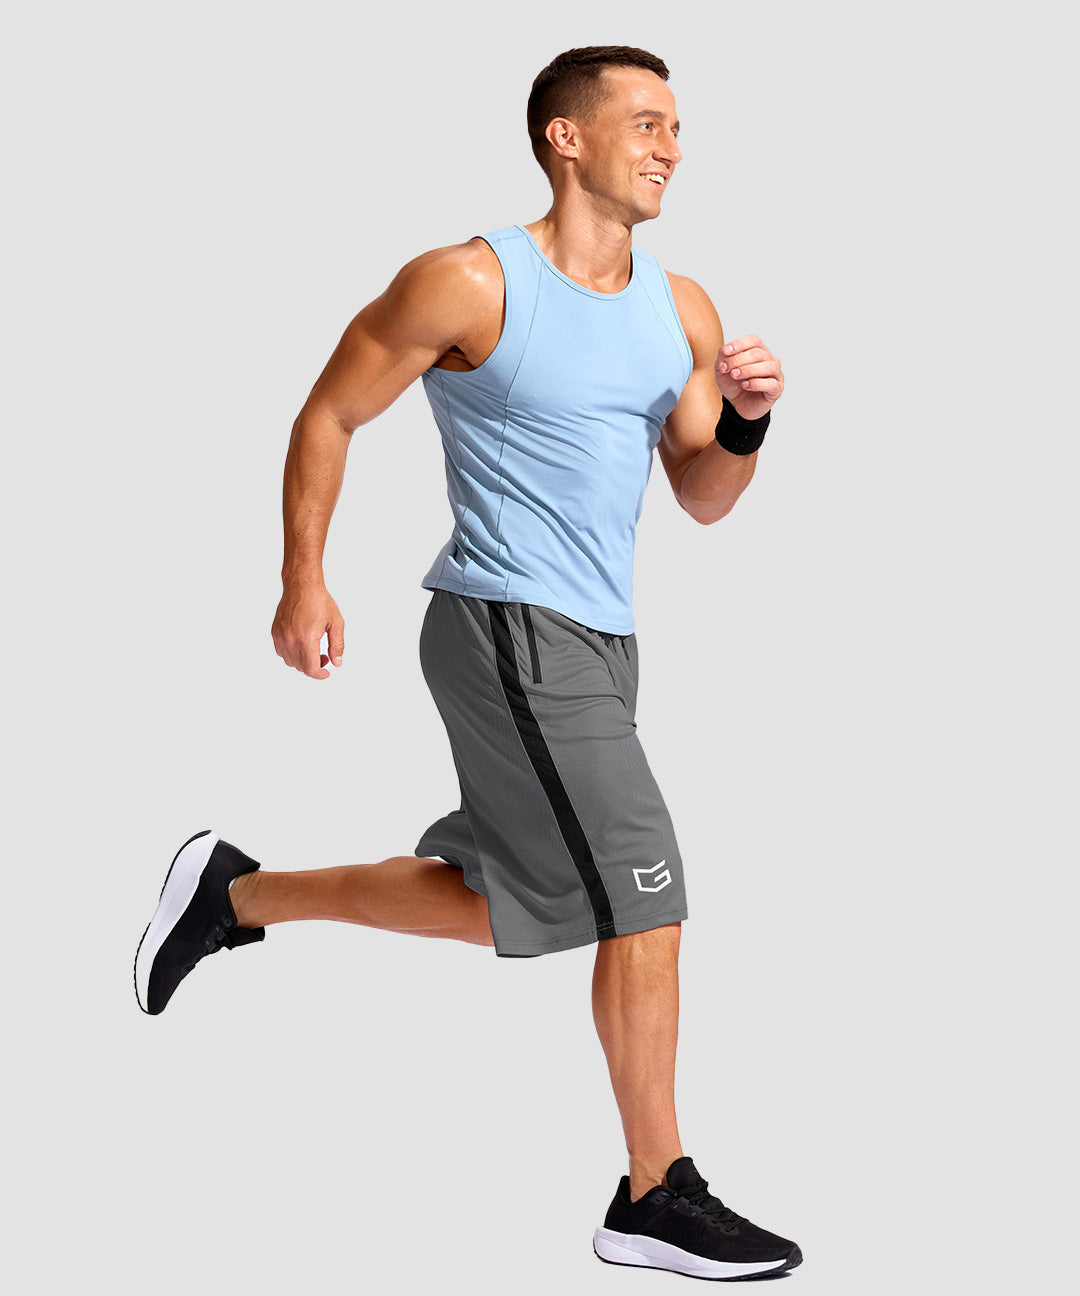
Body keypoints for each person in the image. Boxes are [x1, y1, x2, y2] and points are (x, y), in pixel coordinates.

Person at [134, 45, 800, 1282]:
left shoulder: (682, 310)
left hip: (603, 643)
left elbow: (704, 495)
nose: (671, 148)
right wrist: (302, 577)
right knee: (645, 890)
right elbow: (330, 411)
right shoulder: (471, 282)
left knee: (515, 899)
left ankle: (237, 895)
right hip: (506, 626)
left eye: (677, 128)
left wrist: (749, 422)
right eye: (647, 123)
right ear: (566, 136)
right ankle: (654, 1191)